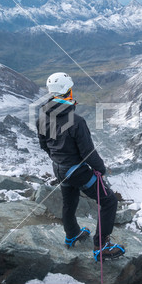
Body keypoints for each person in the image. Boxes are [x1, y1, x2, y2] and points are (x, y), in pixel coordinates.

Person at [37, 72, 125, 261]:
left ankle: (72, 234)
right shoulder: (76, 121)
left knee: (70, 202)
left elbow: (44, 145)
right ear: (68, 92)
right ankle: (101, 246)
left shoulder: (42, 116)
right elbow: (88, 153)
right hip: (76, 171)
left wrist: (59, 159)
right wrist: (100, 170)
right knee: (109, 201)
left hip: (59, 169)